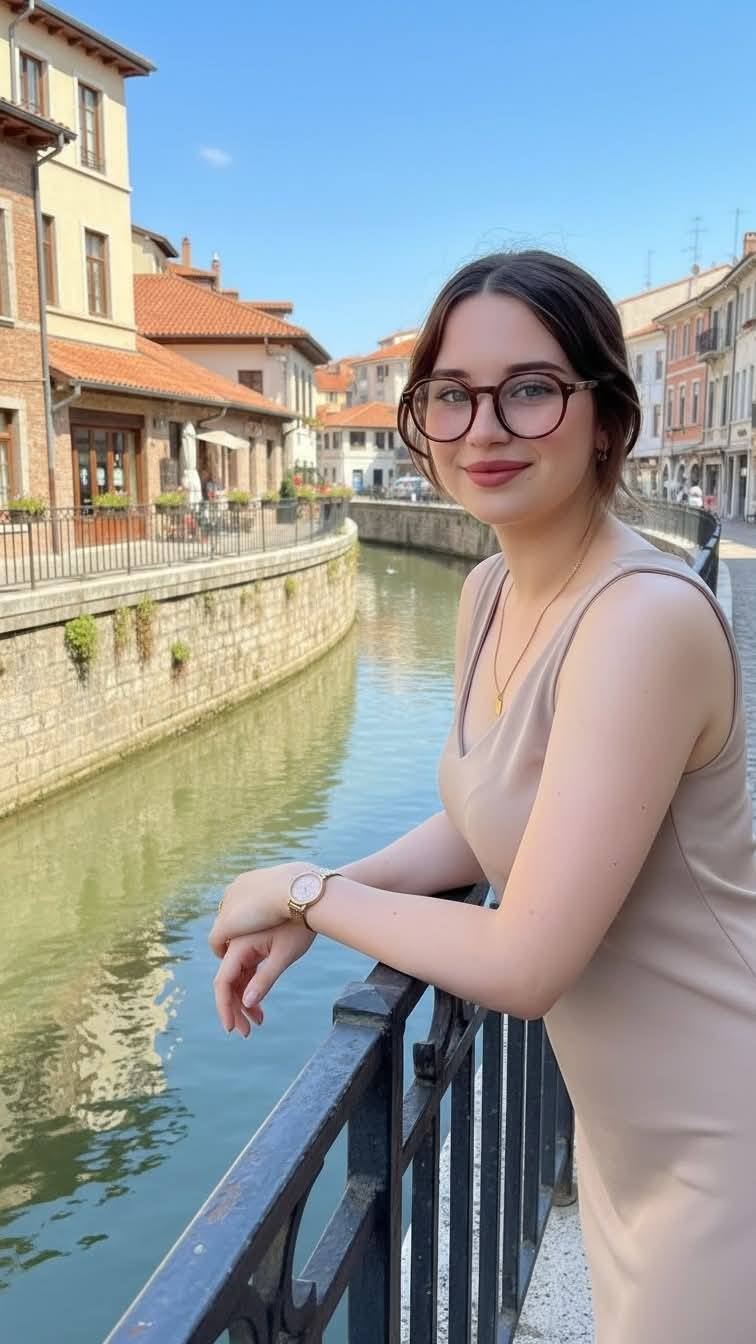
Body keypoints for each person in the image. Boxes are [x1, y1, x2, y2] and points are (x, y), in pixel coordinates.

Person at [209, 250, 756, 1343]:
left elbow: (526, 962)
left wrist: (308, 890)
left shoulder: (641, 622)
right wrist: (333, 889)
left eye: (531, 389)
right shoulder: (491, 590)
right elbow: (487, 824)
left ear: (606, 418)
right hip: (626, 1130)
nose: (484, 428)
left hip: (719, 1131)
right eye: (451, 395)